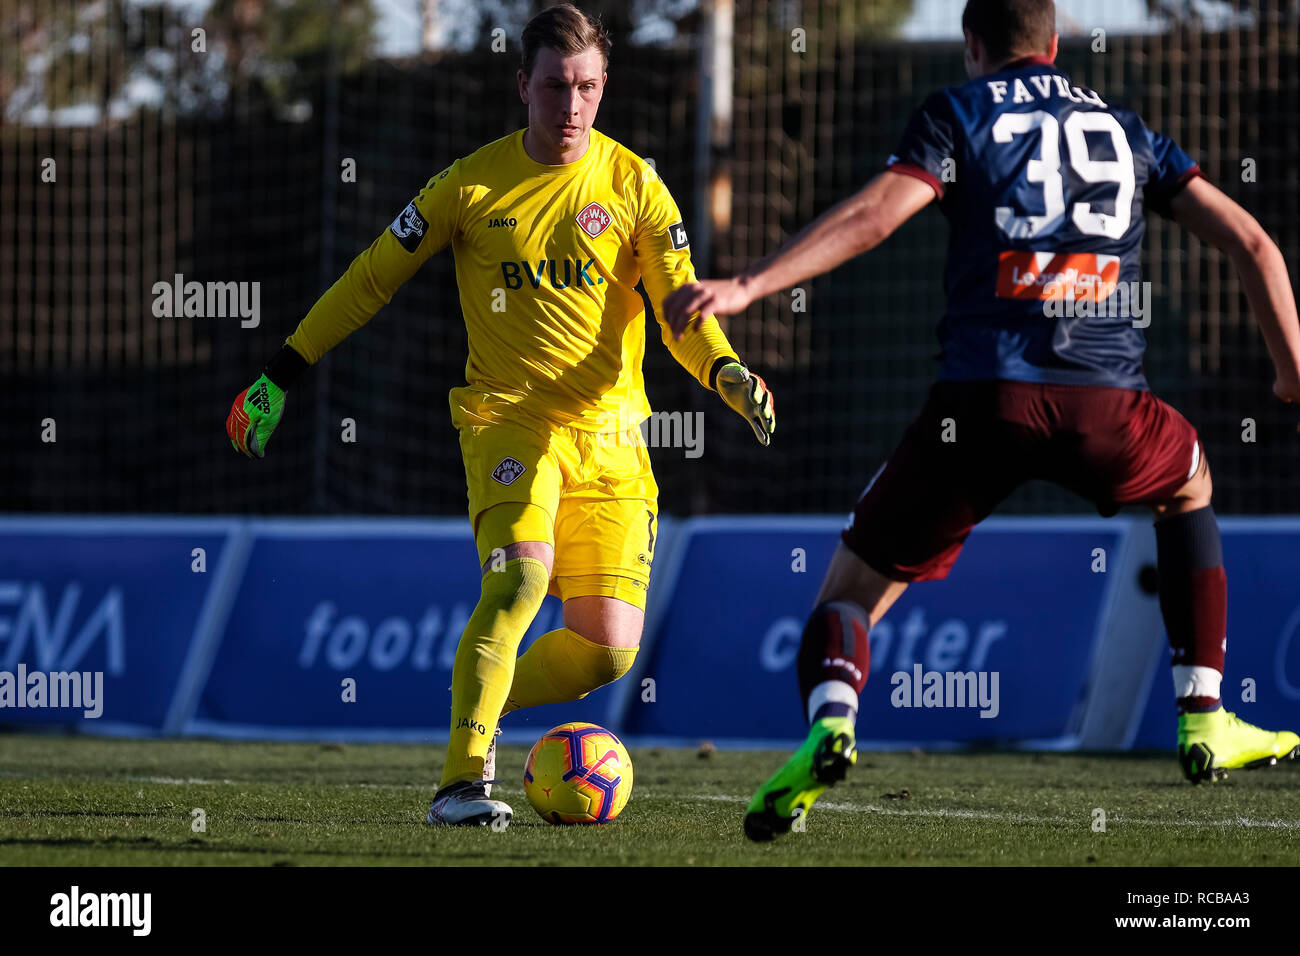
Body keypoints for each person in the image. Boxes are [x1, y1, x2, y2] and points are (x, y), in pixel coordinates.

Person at [664, 0, 1299, 842]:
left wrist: (748, 287)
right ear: (1057, 43)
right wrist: (1293, 379)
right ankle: (1205, 715)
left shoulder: (957, 111)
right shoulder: (1126, 129)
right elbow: (1254, 244)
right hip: (1109, 408)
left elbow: (872, 218)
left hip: (982, 406)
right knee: (1190, 485)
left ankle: (833, 724)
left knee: (849, 596)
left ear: (973, 45)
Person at [227, 2, 774, 828]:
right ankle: (462, 781)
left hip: (614, 439)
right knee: (519, 581)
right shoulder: (469, 185)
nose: (572, 105)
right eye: (555, 86)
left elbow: (679, 315)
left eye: (587, 86)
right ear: (524, 86)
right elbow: (370, 277)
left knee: (610, 648)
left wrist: (726, 370)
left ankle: (472, 696)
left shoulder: (636, 186)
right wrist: (281, 371)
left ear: (603, 88)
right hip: (508, 424)